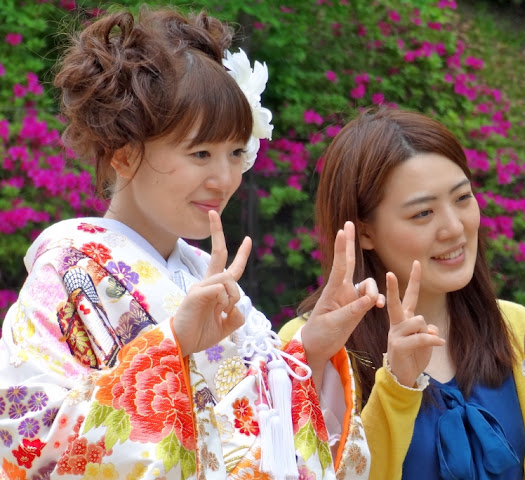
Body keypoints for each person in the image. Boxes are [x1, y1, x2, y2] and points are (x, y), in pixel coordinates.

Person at [0, 7, 370, 479]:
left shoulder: (202, 274)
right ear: (124, 155)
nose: (225, 178)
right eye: (201, 153)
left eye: (236, 152)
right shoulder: (66, 273)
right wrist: (170, 346)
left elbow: (257, 436)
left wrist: (311, 351)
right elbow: (27, 439)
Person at [280, 106, 525, 480]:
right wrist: (397, 389)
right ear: (366, 231)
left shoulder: (519, 329)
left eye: (462, 198)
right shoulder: (313, 346)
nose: (454, 228)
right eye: (423, 213)